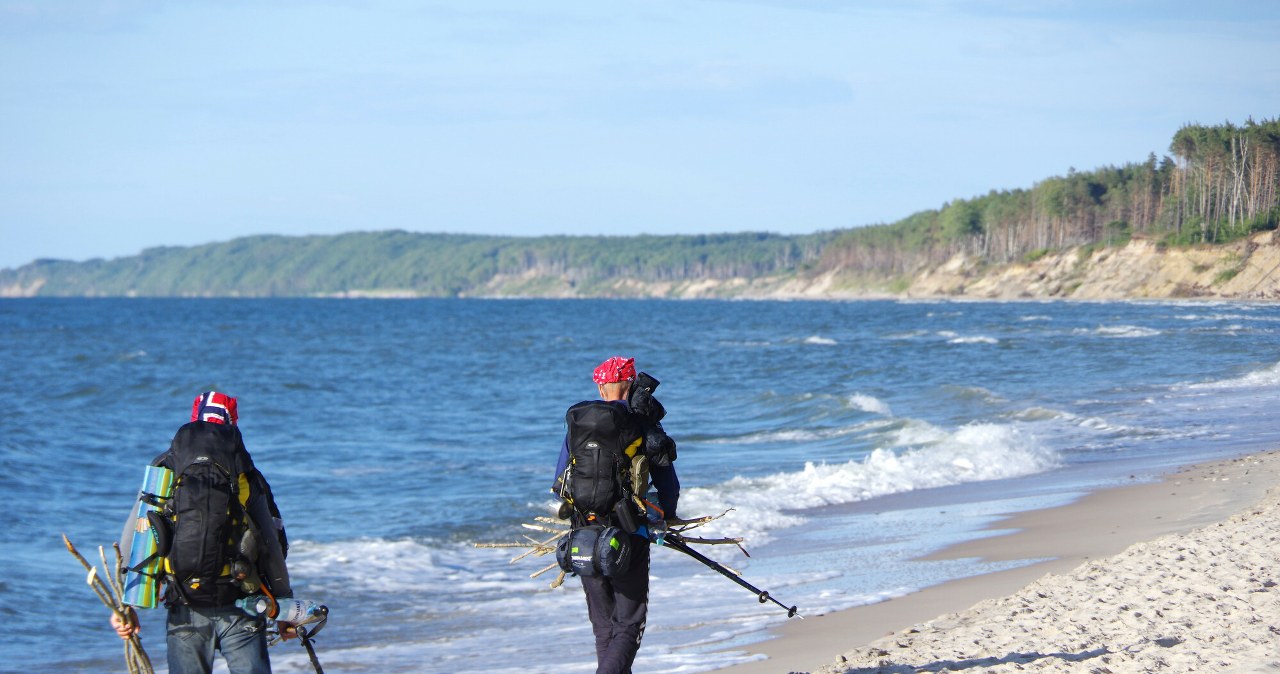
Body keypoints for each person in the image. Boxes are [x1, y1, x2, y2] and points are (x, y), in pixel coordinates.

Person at [110, 391, 295, 674]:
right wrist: (284, 606)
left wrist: (125, 605)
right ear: (232, 423)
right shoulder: (245, 473)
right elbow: (270, 544)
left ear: (194, 419)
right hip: (240, 602)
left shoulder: (164, 469)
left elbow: (136, 535)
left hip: (184, 605)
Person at [553, 356, 680, 674]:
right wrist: (667, 516)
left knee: (604, 627)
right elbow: (668, 484)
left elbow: (559, 484)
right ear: (632, 384)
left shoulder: (580, 425)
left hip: (583, 534)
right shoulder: (641, 423)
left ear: (600, 387)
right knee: (629, 625)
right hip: (628, 534)